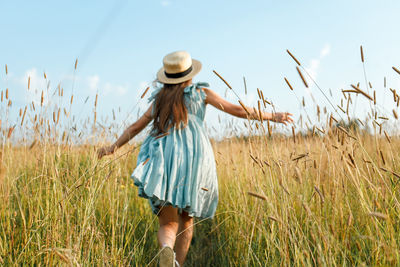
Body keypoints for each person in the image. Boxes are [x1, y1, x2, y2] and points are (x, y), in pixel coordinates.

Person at [97, 51, 293, 266]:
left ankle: (166, 250)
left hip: (163, 159)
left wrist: (112, 147)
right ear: (189, 75)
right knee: (186, 219)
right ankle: (177, 263)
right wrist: (272, 116)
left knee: (167, 224)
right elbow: (236, 109)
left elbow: (135, 127)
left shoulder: (160, 100)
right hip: (193, 159)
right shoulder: (200, 93)